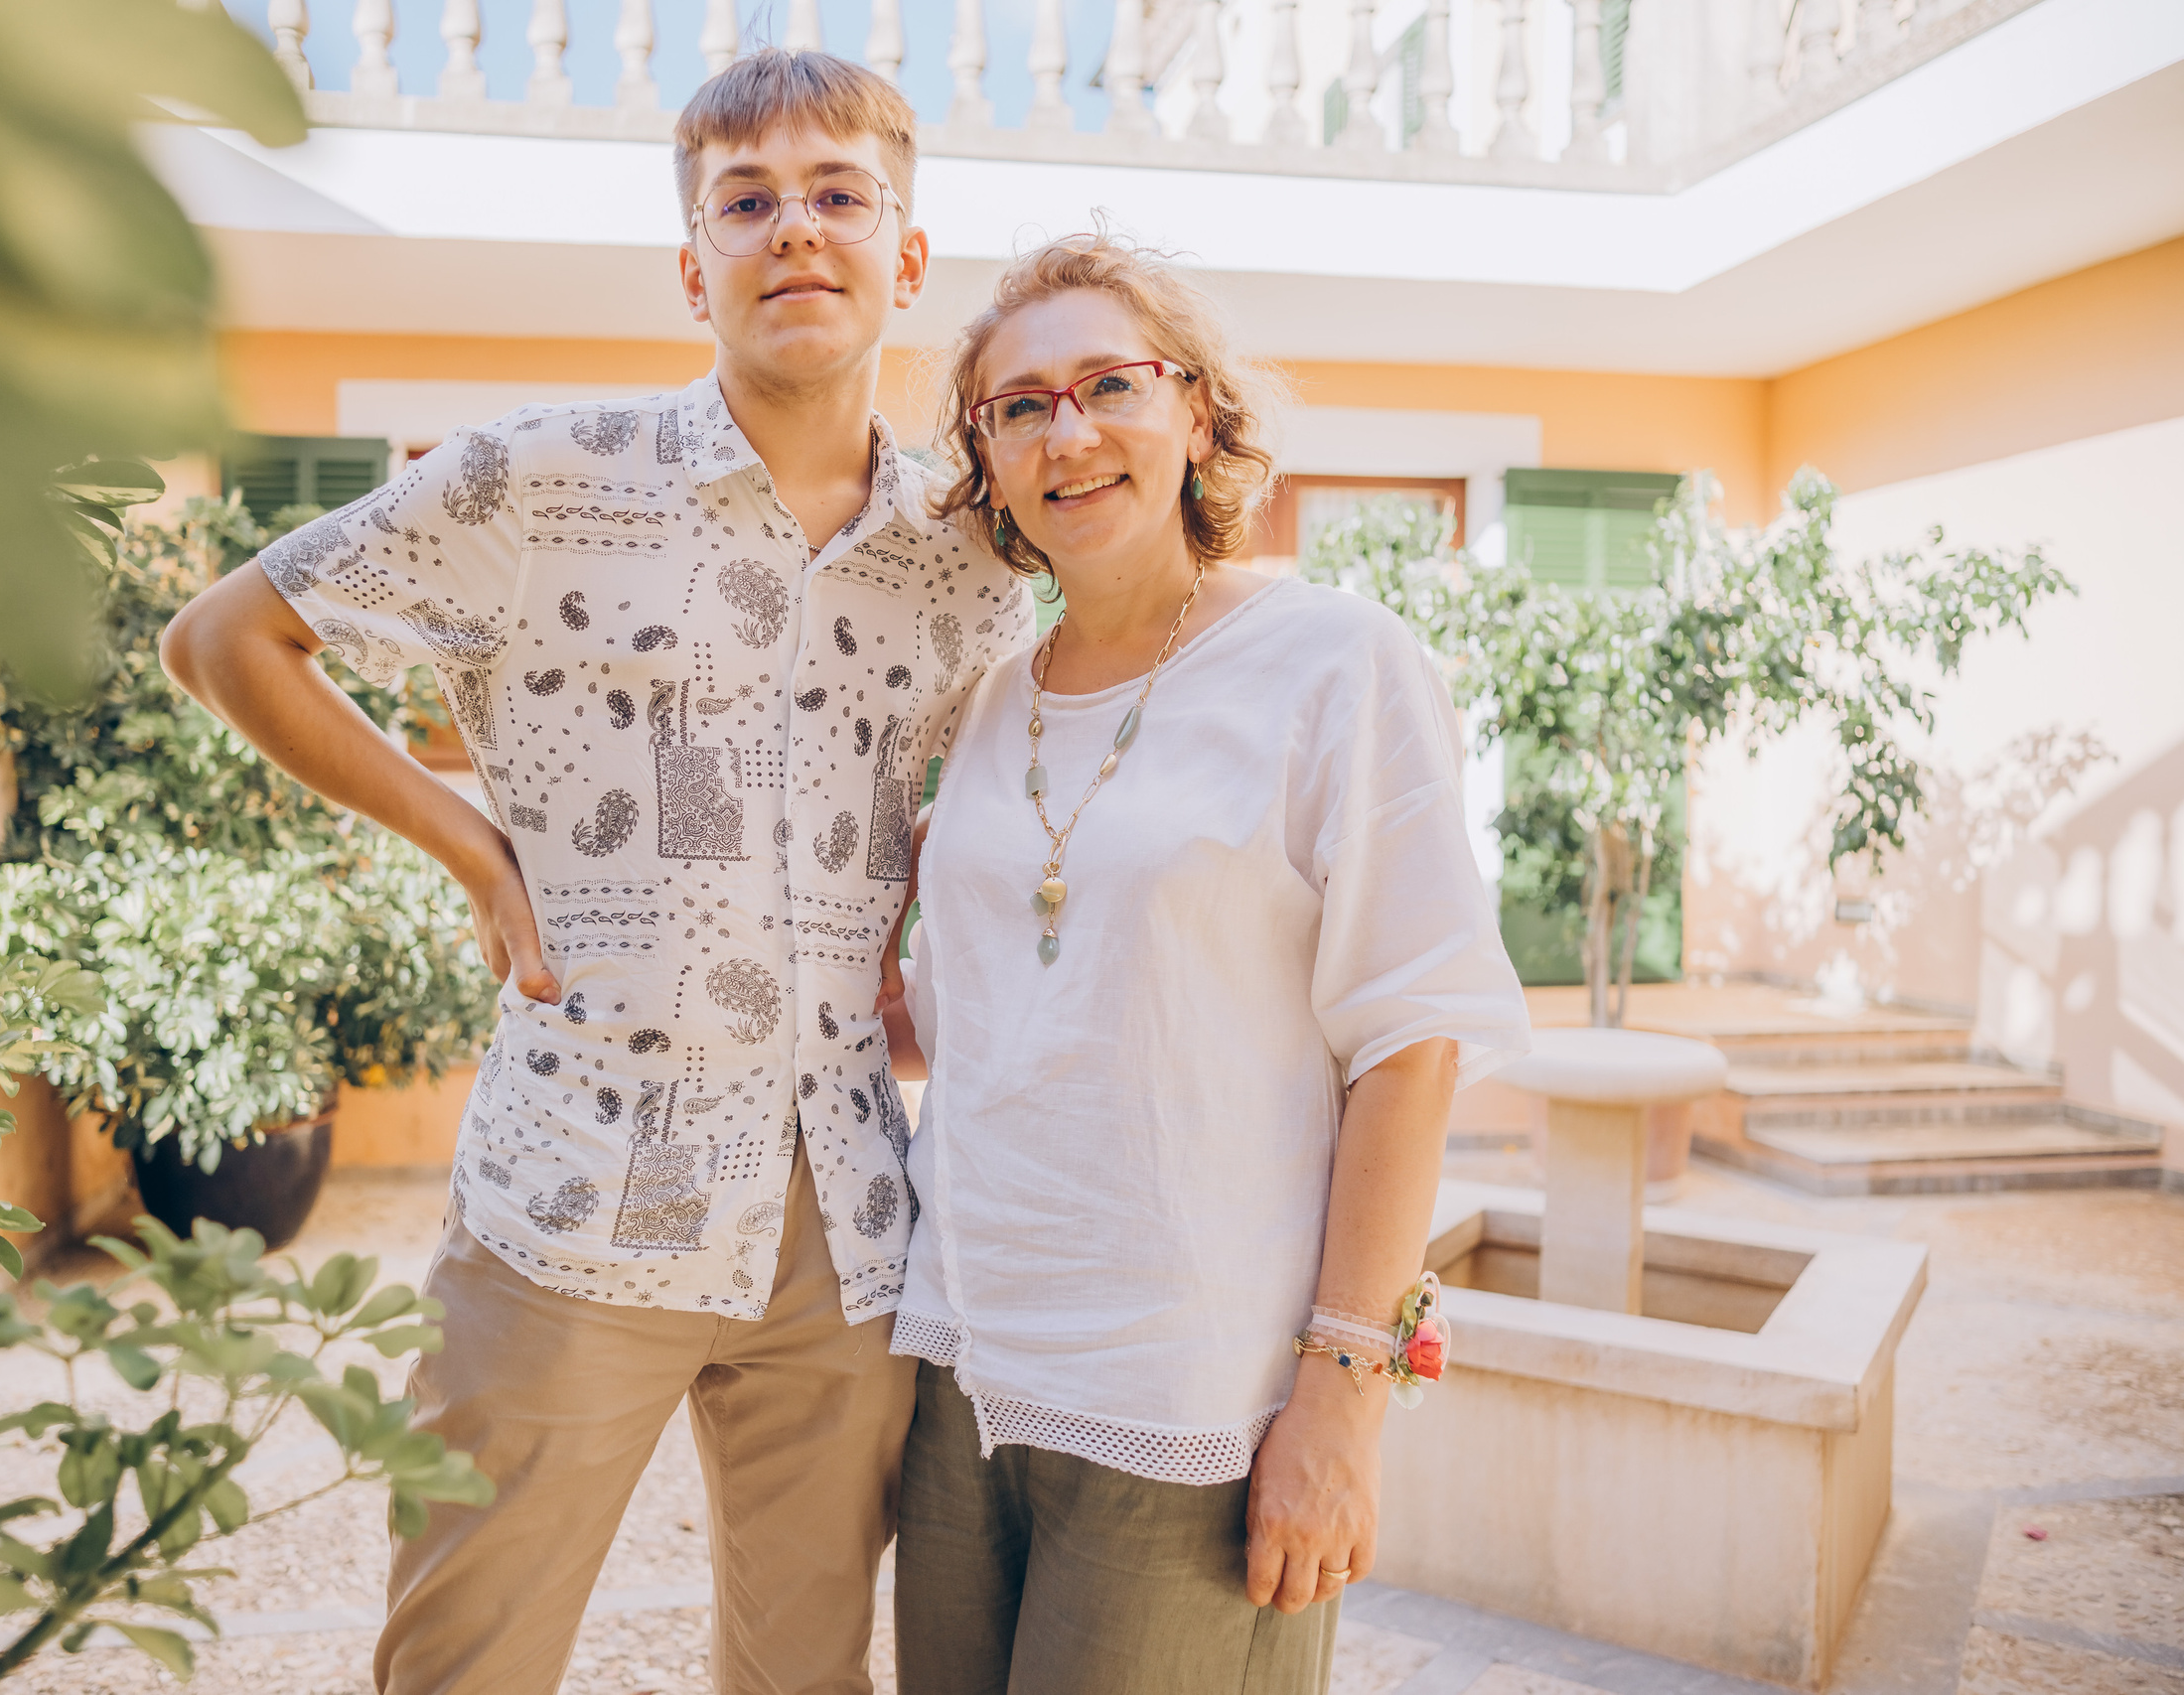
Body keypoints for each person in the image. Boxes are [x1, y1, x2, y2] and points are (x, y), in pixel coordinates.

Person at [160, 50, 1027, 1695]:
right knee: (467, 1664)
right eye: (747, 203)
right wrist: (474, 849)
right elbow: (226, 639)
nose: (796, 233)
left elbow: (964, 817)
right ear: (692, 262)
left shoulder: (964, 565)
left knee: (806, 1676)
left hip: (843, 1220)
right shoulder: (535, 479)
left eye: (840, 197)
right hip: (573, 1195)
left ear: (907, 256)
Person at [886, 231, 1532, 1694]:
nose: (1072, 432)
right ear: (985, 459)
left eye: (1112, 383)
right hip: (960, 1371)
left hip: (1194, 1395)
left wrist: (1343, 1396)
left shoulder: (1333, 664)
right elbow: (970, 1020)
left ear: (1196, 412)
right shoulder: (986, 707)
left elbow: (1411, 1038)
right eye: (1021, 405)